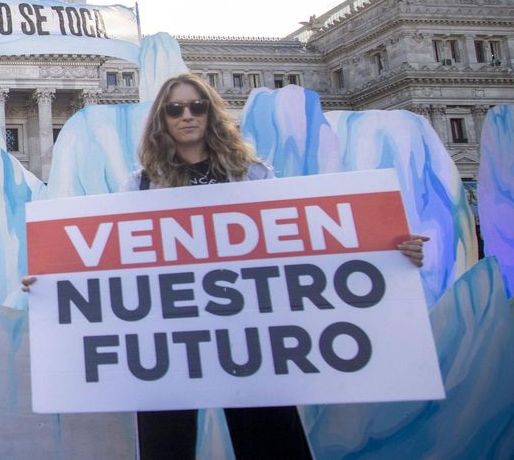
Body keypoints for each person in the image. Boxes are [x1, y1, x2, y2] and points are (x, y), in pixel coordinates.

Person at [23, 73, 427, 460]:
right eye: (175, 109)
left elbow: (303, 244)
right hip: (167, 337)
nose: (187, 116)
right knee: (166, 448)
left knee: (271, 443)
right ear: (162, 119)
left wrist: (385, 253)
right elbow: (111, 258)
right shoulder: (140, 185)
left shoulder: (252, 175)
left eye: (197, 106)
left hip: (250, 333)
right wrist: (54, 283)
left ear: (211, 112)